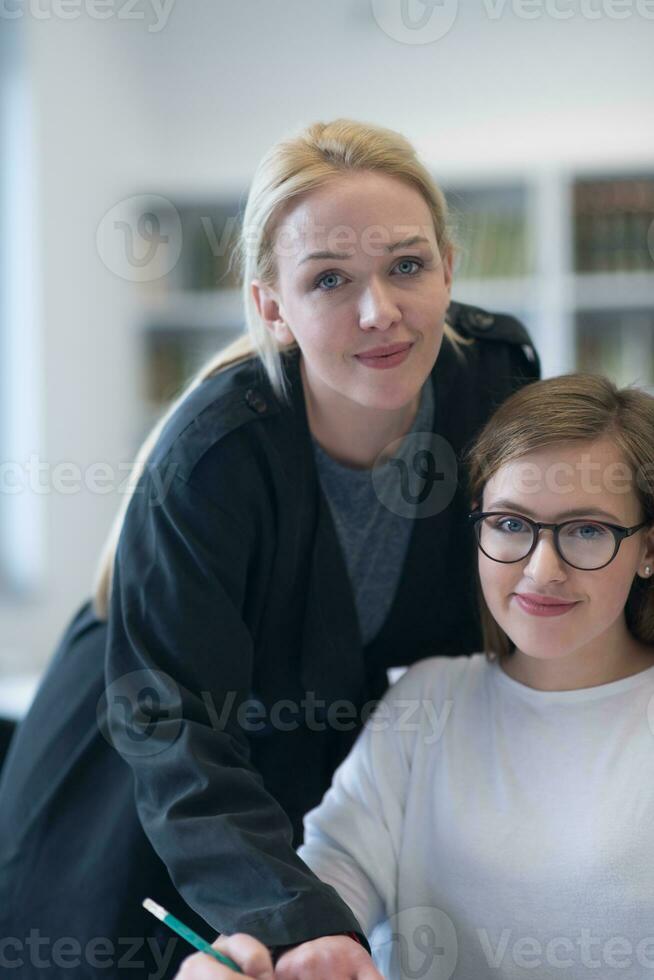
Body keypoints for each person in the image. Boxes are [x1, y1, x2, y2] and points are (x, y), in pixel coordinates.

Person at [0, 118, 539, 979]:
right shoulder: (212, 458)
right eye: (330, 280)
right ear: (271, 308)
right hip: (143, 741)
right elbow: (171, 723)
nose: (381, 312)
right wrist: (292, 915)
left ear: (449, 265)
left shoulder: (497, 383)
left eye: (407, 264)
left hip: (309, 736)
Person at [173, 372, 654, 979]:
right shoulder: (428, 699)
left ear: (649, 549)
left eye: (587, 530)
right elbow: (330, 876)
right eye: (510, 523)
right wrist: (273, 951)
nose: (542, 568)